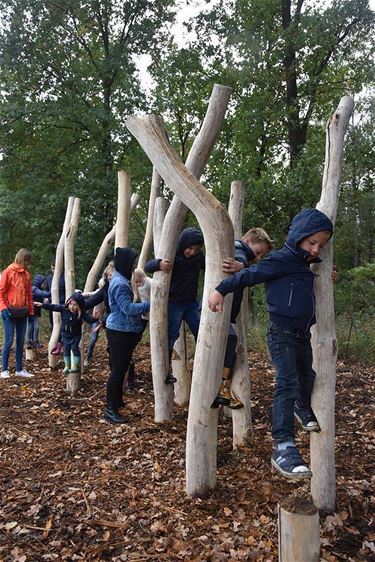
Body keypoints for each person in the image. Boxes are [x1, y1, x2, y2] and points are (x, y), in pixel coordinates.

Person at [208, 208, 333, 479]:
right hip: (281, 334)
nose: (315, 249)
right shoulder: (279, 259)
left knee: (307, 376)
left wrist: (327, 277)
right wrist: (220, 289)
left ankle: (301, 406)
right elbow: (248, 276)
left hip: (302, 334)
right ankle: (283, 446)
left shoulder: (305, 265)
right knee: (287, 382)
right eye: (312, 242)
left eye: (320, 245)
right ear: (298, 236)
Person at [212, 228, 274, 409]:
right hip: (216, 310)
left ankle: (220, 388)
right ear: (248, 241)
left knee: (228, 345)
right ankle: (220, 388)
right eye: (257, 252)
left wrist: (245, 266)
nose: (258, 257)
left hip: (225, 313)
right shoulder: (238, 247)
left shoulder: (246, 258)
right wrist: (243, 264)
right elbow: (239, 257)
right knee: (230, 340)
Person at [145, 227, 205, 384]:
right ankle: (165, 370)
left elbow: (211, 265)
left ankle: (203, 364)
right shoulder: (173, 255)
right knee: (171, 335)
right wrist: (159, 264)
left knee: (202, 332)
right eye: (190, 248)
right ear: (183, 244)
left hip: (191, 303)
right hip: (174, 304)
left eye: (196, 249)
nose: (192, 252)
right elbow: (146, 266)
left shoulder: (199, 258)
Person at [104, 247, 150, 424]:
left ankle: (117, 401)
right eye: (131, 263)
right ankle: (110, 409)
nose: (133, 266)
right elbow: (128, 309)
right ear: (123, 263)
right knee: (117, 371)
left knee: (122, 368)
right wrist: (150, 305)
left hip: (124, 330)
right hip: (119, 331)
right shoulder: (120, 283)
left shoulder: (120, 278)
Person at [38, 292, 96, 374]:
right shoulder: (64, 309)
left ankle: (75, 365)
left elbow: (89, 319)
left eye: (75, 305)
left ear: (79, 306)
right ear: (68, 303)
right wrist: (43, 305)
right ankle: (67, 366)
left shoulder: (81, 313)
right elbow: (53, 306)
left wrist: (95, 319)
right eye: (71, 304)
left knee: (75, 349)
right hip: (65, 335)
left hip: (75, 335)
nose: (72, 307)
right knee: (66, 350)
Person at [0, 248, 34, 378]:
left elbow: (29, 295)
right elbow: (1, 292)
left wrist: (31, 312)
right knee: (8, 340)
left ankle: (19, 369)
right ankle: (4, 369)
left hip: (22, 312)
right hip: (9, 311)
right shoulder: (8, 272)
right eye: (26, 261)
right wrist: (3, 308)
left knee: (21, 340)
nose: (27, 264)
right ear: (22, 259)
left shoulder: (26, 275)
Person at [45, 261, 66, 355]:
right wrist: (45, 298)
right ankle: (57, 344)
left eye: (55, 268)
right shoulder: (49, 278)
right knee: (53, 324)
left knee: (64, 325)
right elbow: (46, 291)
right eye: (52, 268)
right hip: (52, 305)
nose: (53, 270)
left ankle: (63, 344)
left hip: (62, 304)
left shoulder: (66, 276)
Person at [27, 274, 51, 349]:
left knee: (35, 326)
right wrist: (52, 291)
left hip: (35, 311)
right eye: (43, 282)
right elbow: (43, 294)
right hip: (31, 311)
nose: (44, 284)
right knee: (32, 326)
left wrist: (45, 299)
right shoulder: (34, 289)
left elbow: (42, 296)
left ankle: (34, 341)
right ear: (39, 282)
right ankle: (30, 341)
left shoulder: (37, 289)